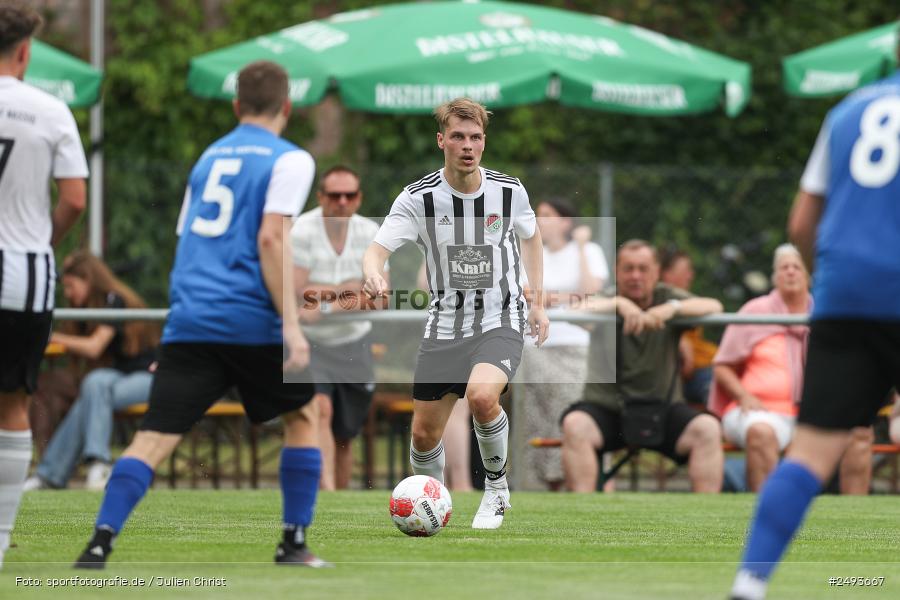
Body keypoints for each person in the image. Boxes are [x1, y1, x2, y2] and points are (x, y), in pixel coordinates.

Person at [72, 60, 328, 568]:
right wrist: (292, 328)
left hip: (192, 320)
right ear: (288, 107)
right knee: (304, 415)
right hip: (252, 321)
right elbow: (271, 238)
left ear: (236, 107)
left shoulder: (208, 158)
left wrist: (175, 331)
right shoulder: (290, 160)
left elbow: (186, 243)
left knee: (153, 437)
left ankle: (99, 543)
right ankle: (293, 544)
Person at [730, 39, 900, 600]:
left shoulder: (847, 110)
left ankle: (749, 584)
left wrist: (828, 283)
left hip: (846, 298)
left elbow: (802, 222)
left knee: (808, 455)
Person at [363, 97, 548, 529]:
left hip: (500, 318)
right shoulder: (418, 198)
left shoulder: (509, 190)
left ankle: (497, 492)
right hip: (444, 326)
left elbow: (532, 238)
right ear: (441, 140)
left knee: (484, 397)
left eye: (476, 137)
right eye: (459, 137)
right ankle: (433, 506)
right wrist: (374, 274)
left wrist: (536, 300)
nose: (468, 145)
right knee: (424, 436)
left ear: (484, 141)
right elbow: (376, 250)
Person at [0, 1, 87, 568]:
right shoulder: (50, 110)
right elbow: (75, 198)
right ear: (26, 50)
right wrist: (42, 240)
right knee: (12, 404)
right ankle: (1, 537)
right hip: (22, 275)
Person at [561, 239, 724, 493]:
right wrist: (619, 305)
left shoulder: (667, 296)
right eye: (628, 268)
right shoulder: (609, 296)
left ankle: (707, 523)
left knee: (708, 428)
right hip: (609, 409)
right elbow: (574, 310)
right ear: (617, 271)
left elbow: (715, 306)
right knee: (575, 424)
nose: (635, 275)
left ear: (657, 272)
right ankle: (583, 518)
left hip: (664, 409)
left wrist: (671, 310)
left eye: (643, 268)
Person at [24, 251, 159, 491]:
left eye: (70, 286)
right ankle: (58, 473)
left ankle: (87, 464)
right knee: (93, 387)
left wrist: (52, 336)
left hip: (149, 376)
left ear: (87, 278)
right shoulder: (86, 309)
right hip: (118, 377)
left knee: (94, 385)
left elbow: (94, 348)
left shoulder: (113, 299)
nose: (68, 293)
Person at [291, 165, 382, 490]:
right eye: (334, 195)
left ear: (359, 199)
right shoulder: (302, 228)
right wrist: (351, 289)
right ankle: (325, 493)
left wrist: (326, 301)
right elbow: (295, 291)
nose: (341, 201)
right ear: (321, 197)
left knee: (346, 433)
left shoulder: (370, 232)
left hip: (355, 342)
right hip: (310, 342)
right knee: (321, 410)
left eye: (350, 195)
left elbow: (382, 297)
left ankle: (339, 500)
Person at [516, 198, 607, 491]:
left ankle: (573, 480)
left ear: (566, 222)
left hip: (574, 347)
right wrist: (564, 297)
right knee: (535, 418)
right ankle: (537, 485)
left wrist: (579, 246)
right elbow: (524, 292)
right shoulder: (530, 252)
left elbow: (592, 290)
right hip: (535, 348)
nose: (540, 221)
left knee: (568, 412)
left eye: (547, 216)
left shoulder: (589, 251)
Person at [659, 249, 717, 406]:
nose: (690, 276)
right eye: (685, 270)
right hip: (691, 374)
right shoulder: (657, 299)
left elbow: (714, 305)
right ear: (667, 274)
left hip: (705, 365)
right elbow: (688, 365)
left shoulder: (686, 301)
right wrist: (681, 341)